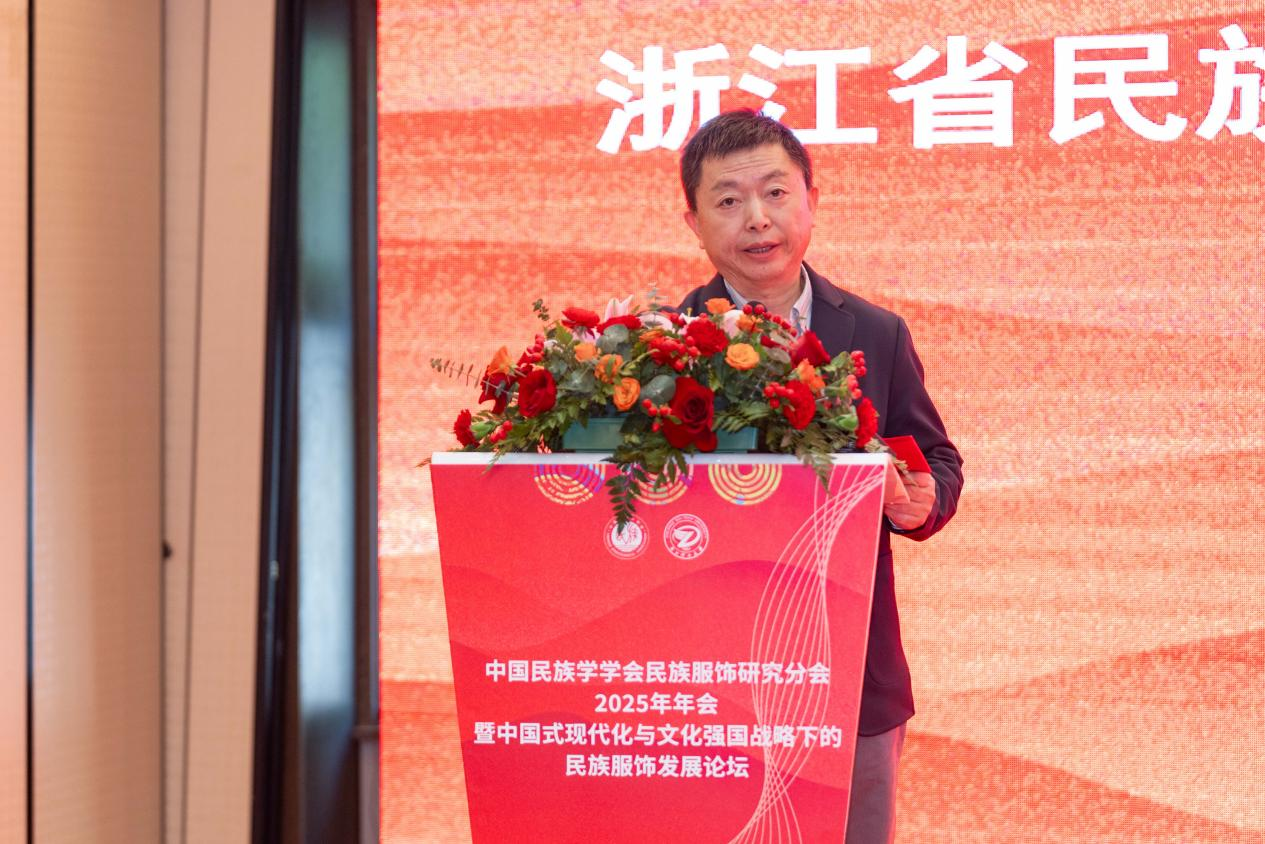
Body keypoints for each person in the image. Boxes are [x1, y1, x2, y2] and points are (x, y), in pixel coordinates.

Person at [676, 110, 964, 844]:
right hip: (703, 680)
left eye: (775, 193)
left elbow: (935, 459)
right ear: (694, 223)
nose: (757, 218)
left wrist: (923, 499)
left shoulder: (875, 332)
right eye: (728, 200)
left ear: (811, 199)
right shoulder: (658, 346)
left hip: (852, 672)